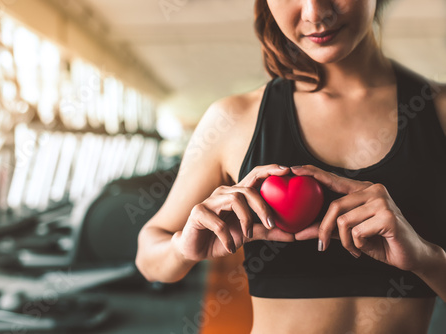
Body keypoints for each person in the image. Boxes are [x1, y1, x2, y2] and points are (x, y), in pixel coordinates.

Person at [136, 0, 446, 333]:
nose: (315, 13)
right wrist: (182, 249)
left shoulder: (439, 113)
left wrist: (425, 258)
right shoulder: (233, 120)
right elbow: (148, 256)